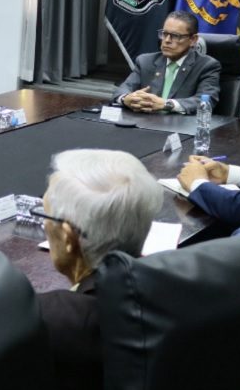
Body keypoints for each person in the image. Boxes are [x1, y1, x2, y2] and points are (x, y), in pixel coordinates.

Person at [35, 149, 162, 390]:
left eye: (45, 213)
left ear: (68, 237)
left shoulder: (46, 320)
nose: (43, 223)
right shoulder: (177, 286)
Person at [113, 10, 220, 114]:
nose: (167, 40)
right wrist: (126, 99)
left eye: (176, 36)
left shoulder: (207, 66)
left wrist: (167, 104)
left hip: (180, 124)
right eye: (164, 34)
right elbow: (122, 90)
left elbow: (206, 101)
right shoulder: (145, 61)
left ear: (193, 40)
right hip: (146, 122)